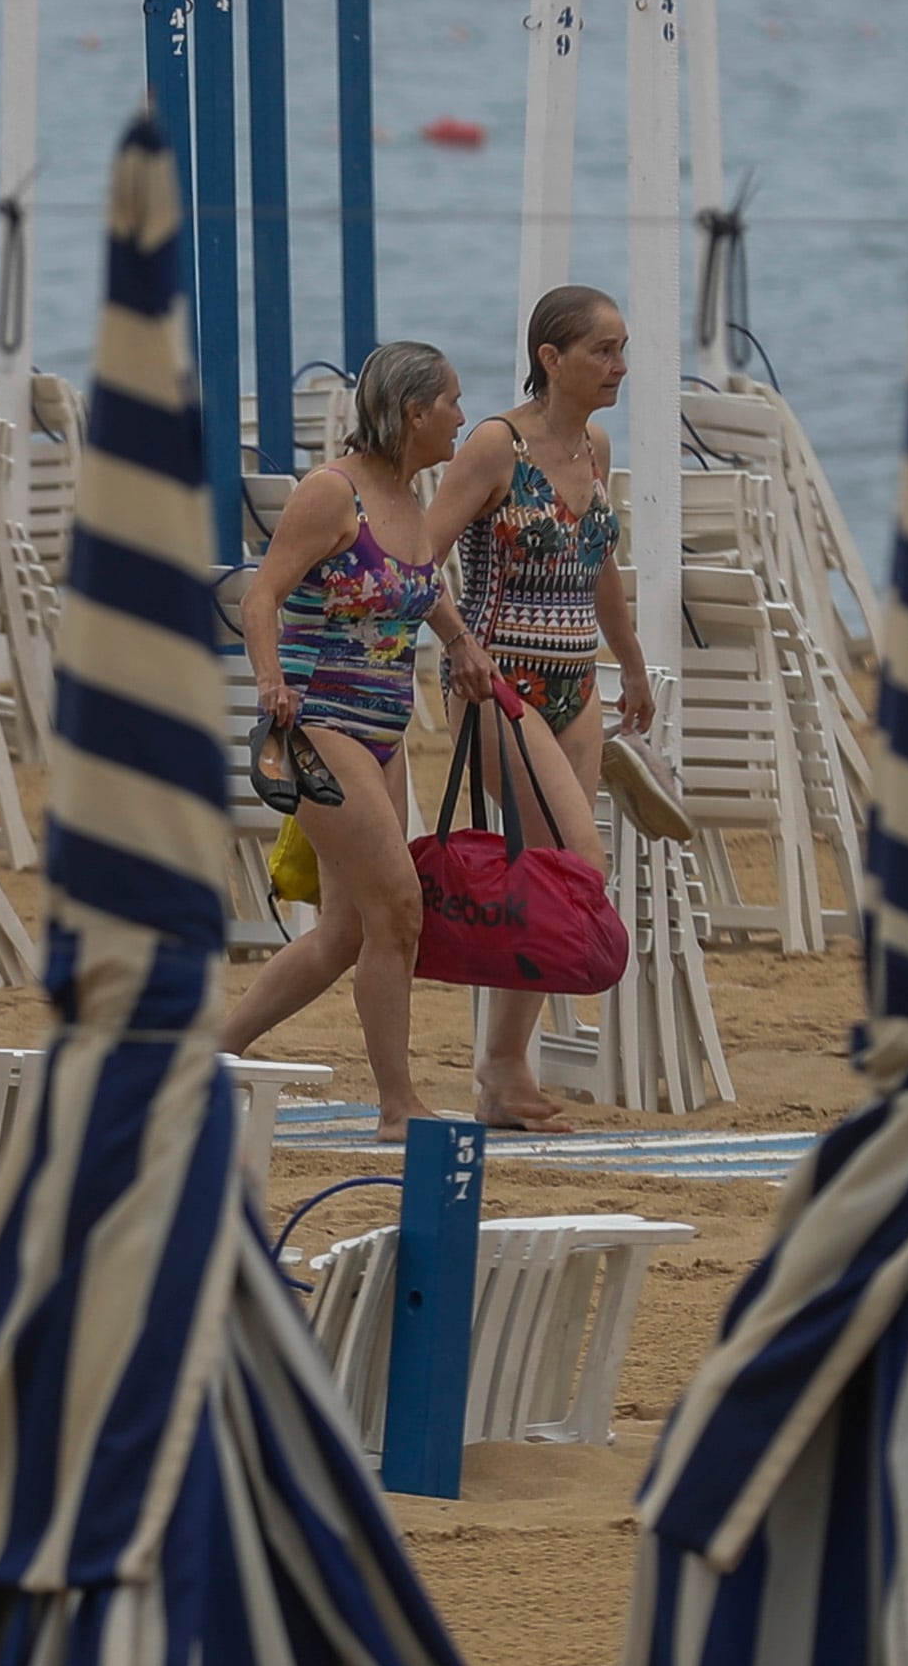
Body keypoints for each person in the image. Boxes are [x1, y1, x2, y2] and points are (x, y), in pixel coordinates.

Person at [216, 340, 585, 1139]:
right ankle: (396, 1105)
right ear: (414, 413)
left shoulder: (407, 494)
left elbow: (419, 585)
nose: (462, 415)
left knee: (344, 935)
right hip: (320, 725)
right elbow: (259, 598)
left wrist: (458, 644)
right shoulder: (331, 492)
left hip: (382, 729)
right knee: (399, 911)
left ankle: (205, 1055)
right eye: (451, 403)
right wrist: (270, 683)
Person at [446, 283, 689, 1130]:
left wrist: (631, 664)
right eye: (603, 350)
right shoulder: (492, 447)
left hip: (574, 677)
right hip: (499, 682)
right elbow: (423, 556)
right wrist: (456, 646)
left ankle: (504, 1066)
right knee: (573, 858)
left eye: (623, 349)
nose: (620, 365)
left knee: (557, 874)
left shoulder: (593, 444)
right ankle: (500, 1067)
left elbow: (599, 566)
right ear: (551, 359)